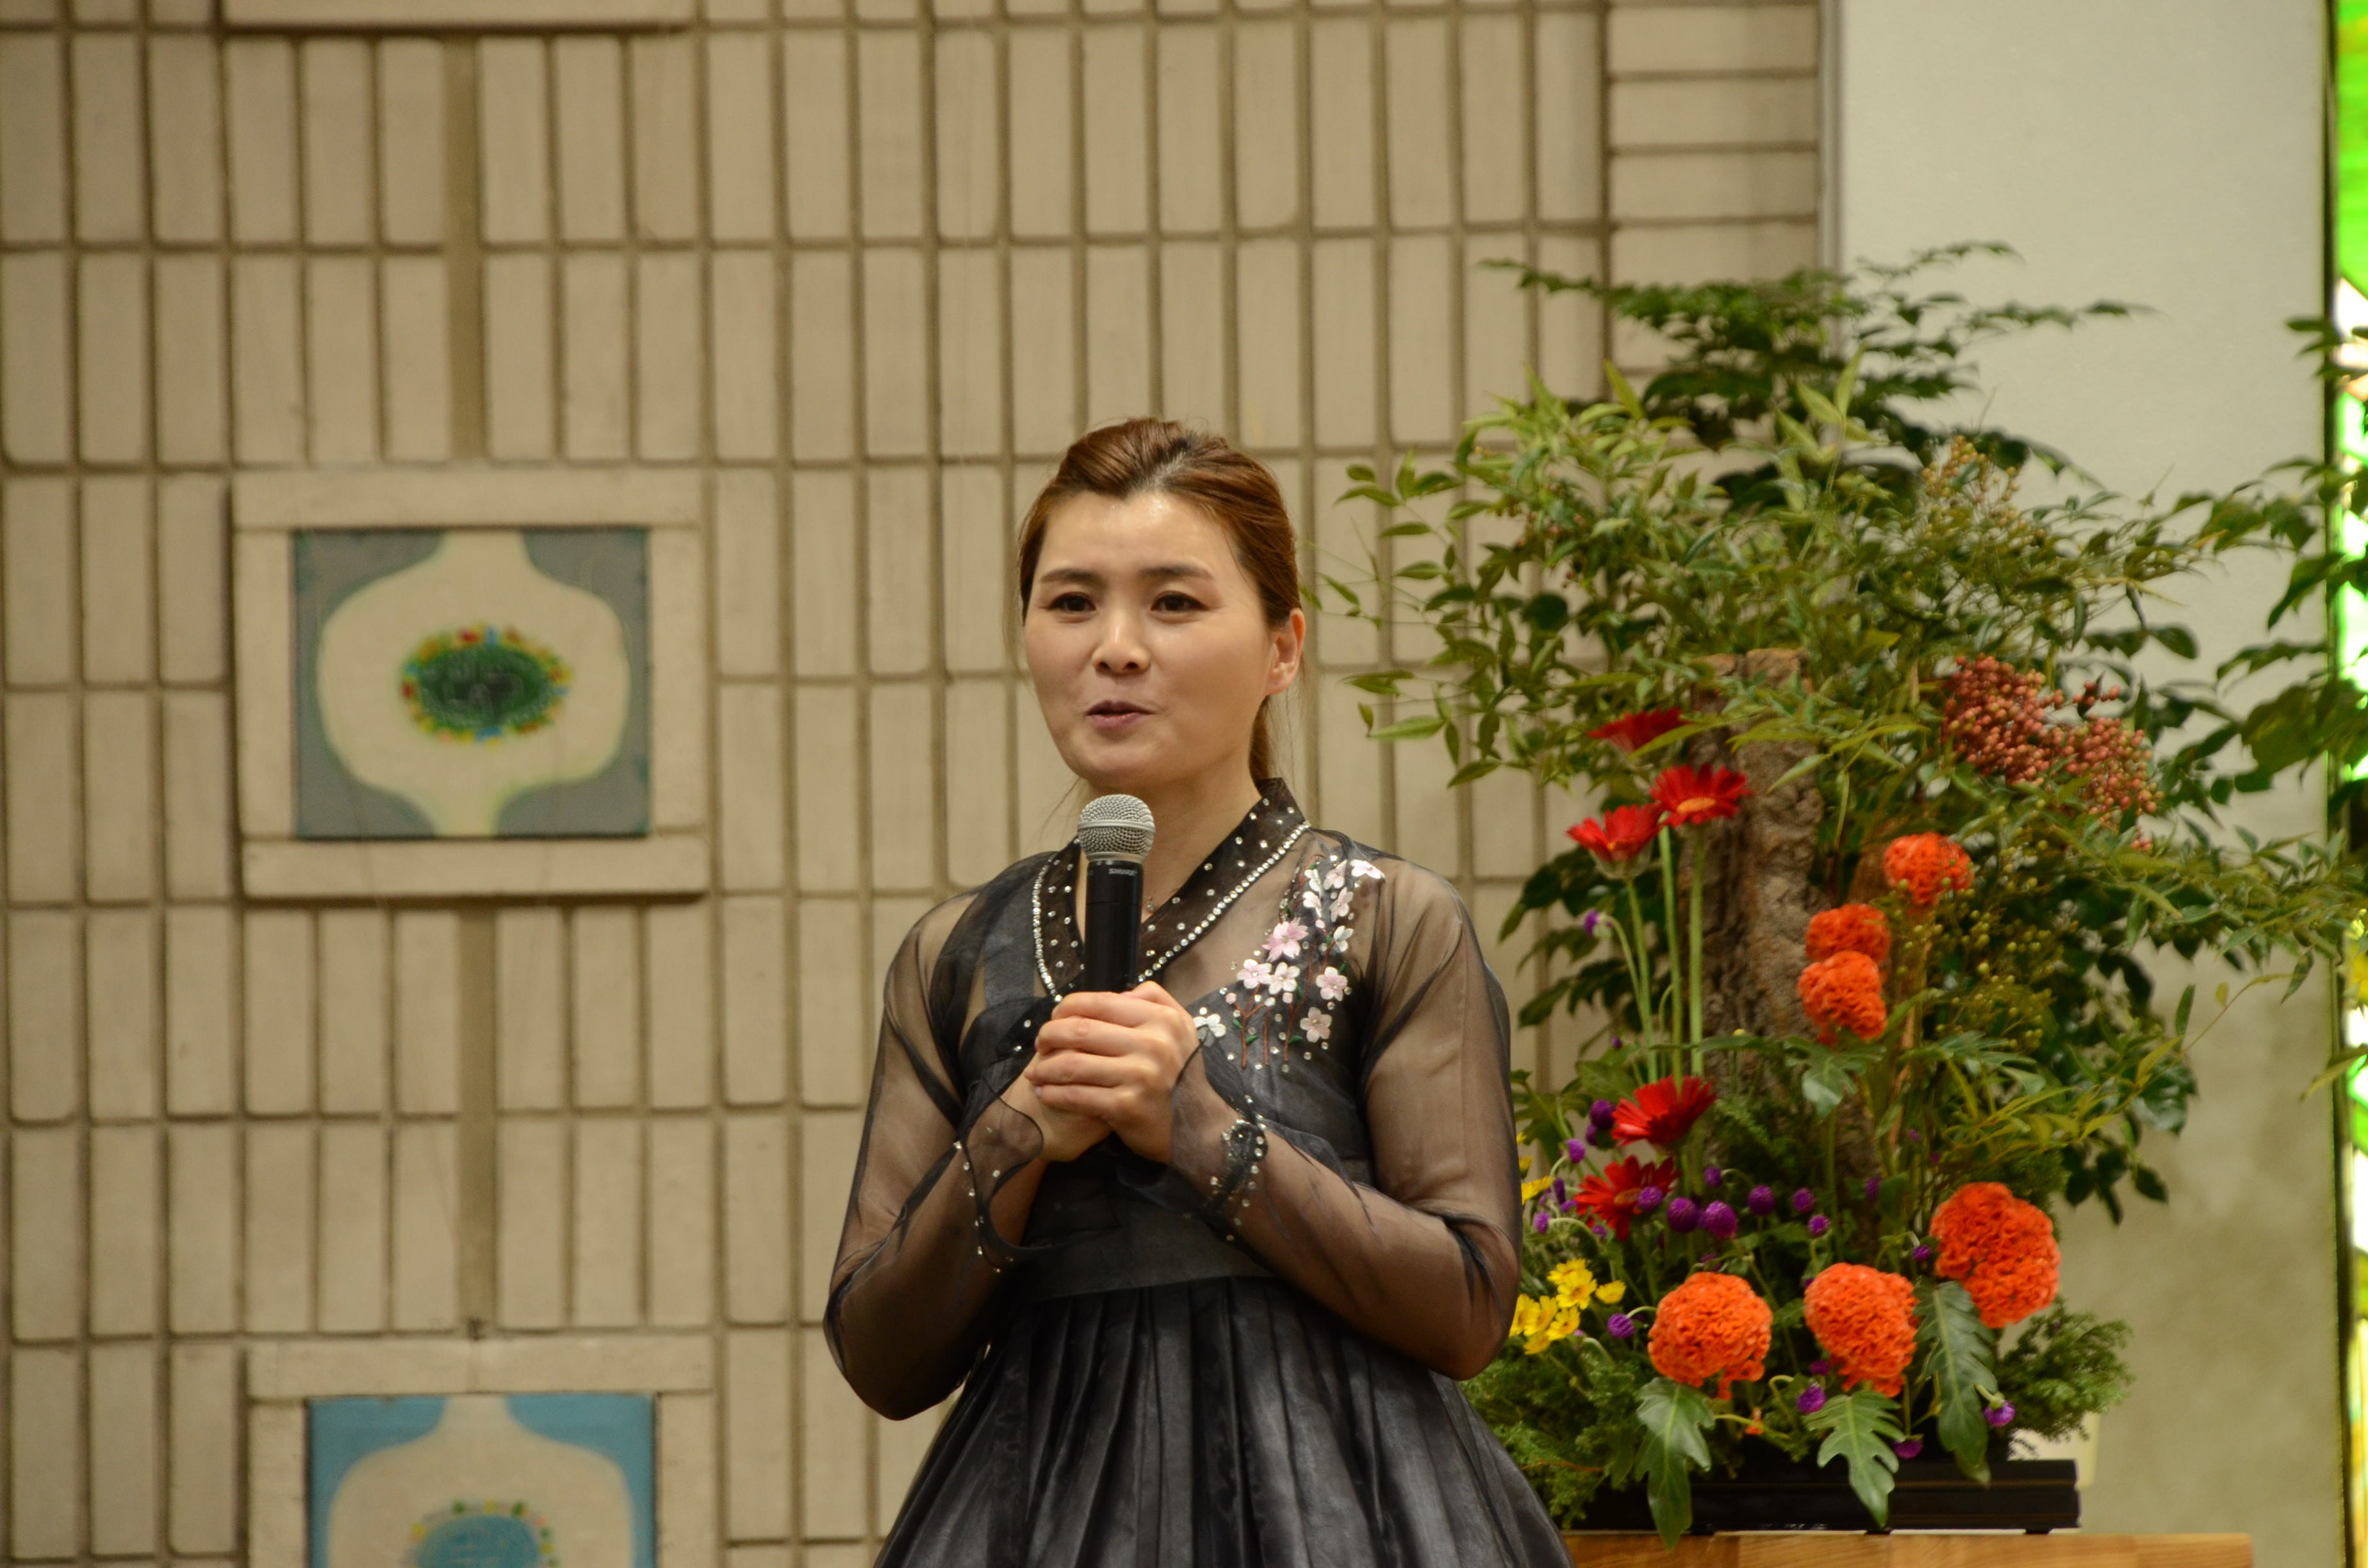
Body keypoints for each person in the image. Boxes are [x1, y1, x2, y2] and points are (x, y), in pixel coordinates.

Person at [826, 419, 1570, 1566]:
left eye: (1174, 603)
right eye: (1072, 603)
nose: (1116, 648)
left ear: (1283, 647)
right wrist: (1019, 1130)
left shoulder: (1387, 920)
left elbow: (1469, 1304)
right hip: (1036, 1518)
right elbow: (882, 1359)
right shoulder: (959, 953)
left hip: (1346, 1516)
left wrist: (1204, 1132)